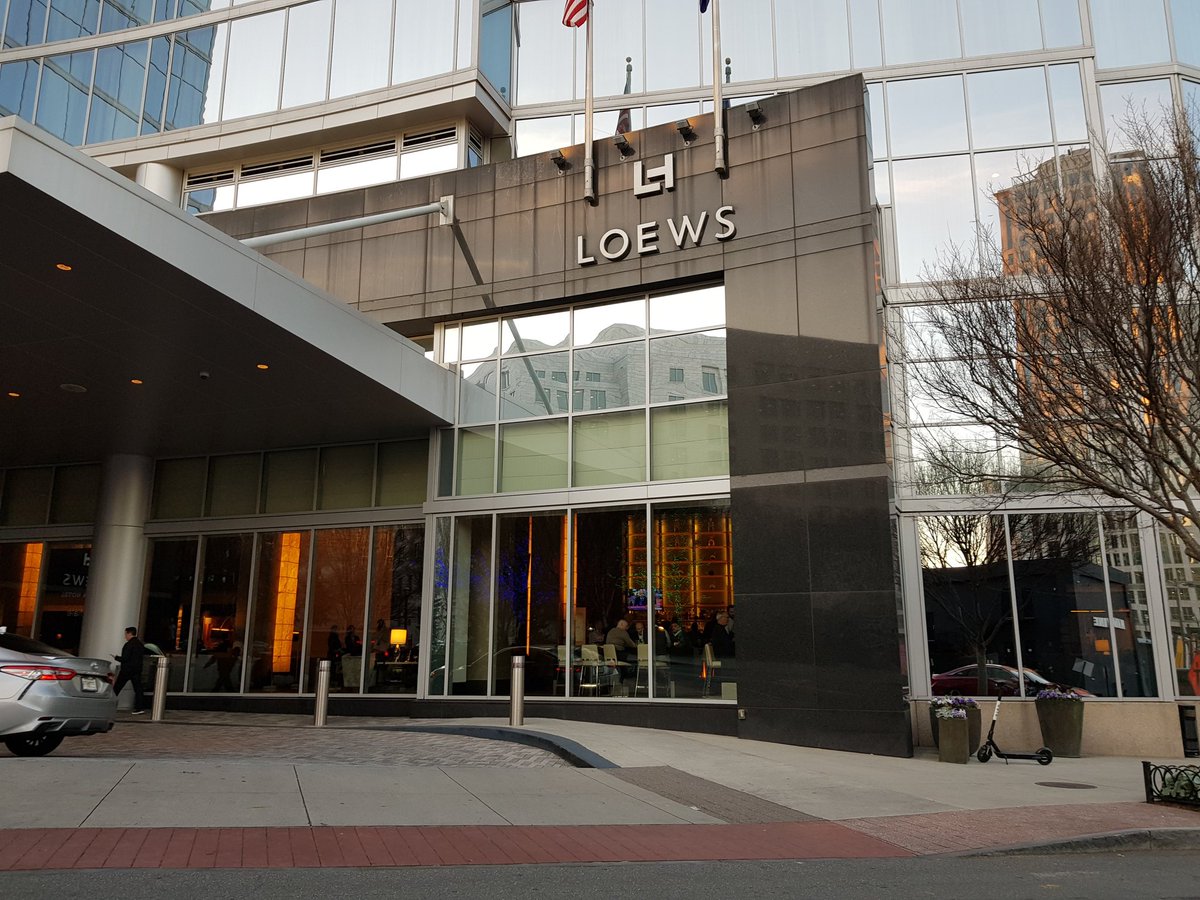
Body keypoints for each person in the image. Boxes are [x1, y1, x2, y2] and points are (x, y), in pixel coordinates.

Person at [113, 626, 147, 714]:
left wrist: (116, 657)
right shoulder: (140, 644)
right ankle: (140, 707)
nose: (125, 636)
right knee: (138, 689)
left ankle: (109, 704)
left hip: (127, 670)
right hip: (137, 670)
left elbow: (125, 658)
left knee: (117, 688)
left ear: (129, 633)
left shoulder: (128, 645)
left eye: (125, 634)